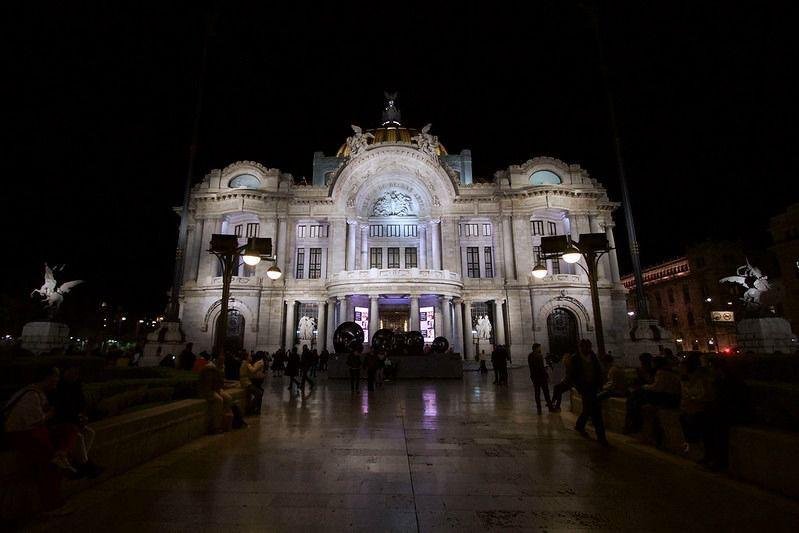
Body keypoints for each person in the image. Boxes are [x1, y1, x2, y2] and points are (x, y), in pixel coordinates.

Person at [2, 367, 76, 509]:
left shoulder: (38, 394)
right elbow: (33, 421)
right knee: (49, 467)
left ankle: (61, 454)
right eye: (56, 376)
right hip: (24, 434)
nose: (58, 380)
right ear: (47, 377)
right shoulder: (31, 395)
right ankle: (51, 505)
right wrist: (50, 414)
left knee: (69, 429)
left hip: (33, 432)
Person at [52, 364, 103, 479]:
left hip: (72, 420)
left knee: (90, 432)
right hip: (62, 422)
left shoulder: (76, 385)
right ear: (65, 372)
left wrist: (83, 416)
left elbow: (80, 403)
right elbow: (61, 409)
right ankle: (85, 464)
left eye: (77, 373)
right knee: (78, 436)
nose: (75, 376)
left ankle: (80, 462)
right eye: (73, 372)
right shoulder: (59, 387)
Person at [570, 339, 608, 446]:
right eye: (585, 347)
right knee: (595, 411)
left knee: (590, 409)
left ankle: (581, 426)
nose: (587, 349)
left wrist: (600, 385)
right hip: (584, 388)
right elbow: (573, 374)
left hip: (593, 387)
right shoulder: (575, 358)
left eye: (589, 347)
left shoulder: (593, 356)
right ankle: (601, 437)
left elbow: (598, 371)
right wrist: (578, 387)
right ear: (580, 347)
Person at [198, 362, 235, 432]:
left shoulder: (217, 369)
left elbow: (219, 383)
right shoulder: (209, 370)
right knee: (219, 400)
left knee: (228, 398)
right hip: (208, 390)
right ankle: (216, 426)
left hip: (214, 389)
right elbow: (207, 385)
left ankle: (225, 419)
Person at [528, 343, 554, 414]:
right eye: (539, 347)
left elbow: (530, 367)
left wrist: (532, 376)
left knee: (537, 393)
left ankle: (539, 409)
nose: (540, 349)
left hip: (534, 377)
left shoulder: (530, 356)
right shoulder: (539, 356)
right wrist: (547, 376)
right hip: (541, 377)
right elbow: (542, 368)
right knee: (546, 393)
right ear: (536, 348)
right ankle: (550, 407)